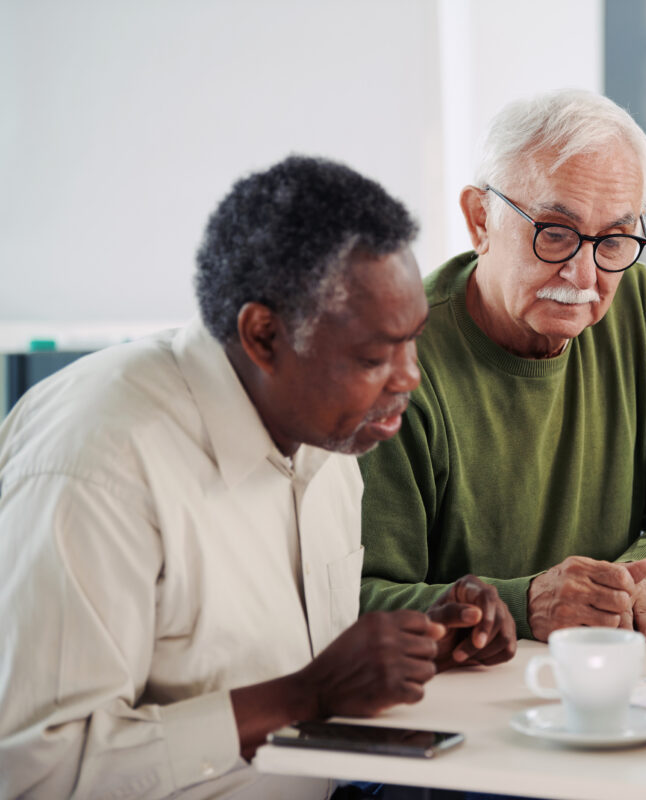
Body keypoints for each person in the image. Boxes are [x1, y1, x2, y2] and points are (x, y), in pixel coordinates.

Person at [0, 156, 516, 799]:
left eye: (413, 341)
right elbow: (35, 775)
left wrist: (427, 646)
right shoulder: (98, 465)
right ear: (264, 335)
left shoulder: (331, 439)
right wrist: (308, 693)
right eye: (374, 356)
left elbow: (290, 668)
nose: (409, 377)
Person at [359, 89, 646, 643]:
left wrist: (645, 579)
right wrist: (524, 604)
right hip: (457, 689)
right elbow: (355, 598)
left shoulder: (637, 301)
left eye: (615, 239)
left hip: (608, 662)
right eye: (555, 233)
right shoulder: (397, 366)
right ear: (480, 220)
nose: (584, 274)